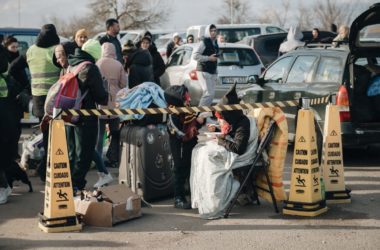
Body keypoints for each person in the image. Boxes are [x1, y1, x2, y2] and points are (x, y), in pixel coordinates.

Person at [190, 83, 259, 219]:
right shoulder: (236, 120)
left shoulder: (243, 124)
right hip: (232, 148)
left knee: (208, 157)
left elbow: (239, 148)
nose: (223, 120)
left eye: (224, 117)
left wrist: (220, 140)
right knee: (198, 151)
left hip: (242, 155)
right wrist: (217, 131)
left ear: (230, 113)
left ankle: (218, 199)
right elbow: (232, 134)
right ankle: (205, 197)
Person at [66, 39, 108, 191]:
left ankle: (70, 184)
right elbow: (101, 97)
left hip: (69, 115)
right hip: (85, 117)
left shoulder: (72, 64)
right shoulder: (90, 68)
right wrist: (105, 89)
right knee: (84, 153)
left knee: (72, 153)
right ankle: (76, 185)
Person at [26, 24, 61, 181]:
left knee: (46, 133)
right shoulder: (55, 50)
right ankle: (45, 169)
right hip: (53, 97)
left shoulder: (31, 50)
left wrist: (26, 87)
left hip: (37, 97)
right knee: (52, 136)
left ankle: (44, 167)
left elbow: (14, 68)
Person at [164, 85, 204, 209]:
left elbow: (192, 125)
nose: (188, 97)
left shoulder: (187, 110)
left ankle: (190, 195)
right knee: (179, 171)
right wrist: (197, 123)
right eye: (185, 95)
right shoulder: (172, 113)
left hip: (189, 146)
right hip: (179, 147)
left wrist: (201, 121)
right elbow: (179, 133)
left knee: (189, 170)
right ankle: (178, 198)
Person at [94, 42, 127, 186]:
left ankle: (99, 162)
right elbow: (123, 84)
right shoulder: (118, 64)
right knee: (115, 132)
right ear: (113, 51)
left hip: (100, 102)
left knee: (99, 135)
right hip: (114, 102)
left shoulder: (97, 64)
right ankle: (114, 158)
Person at [0, 45, 28, 204]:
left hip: (5, 128)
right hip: (9, 128)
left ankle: (4, 188)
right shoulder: (8, 80)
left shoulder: (6, 80)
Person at [193, 24, 219, 107]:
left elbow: (214, 56)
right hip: (203, 70)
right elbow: (195, 56)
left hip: (212, 71)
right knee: (208, 93)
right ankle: (199, 115)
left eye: (215, 30)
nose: (214, 32)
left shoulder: (215, 42)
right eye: (211, 31)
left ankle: (204, 116)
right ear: (208, 31)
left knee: (211, 95)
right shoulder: (204, 42)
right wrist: (208, 58)